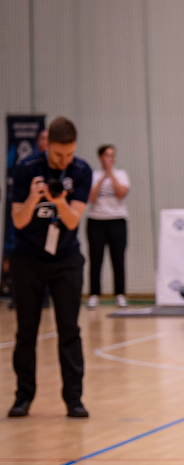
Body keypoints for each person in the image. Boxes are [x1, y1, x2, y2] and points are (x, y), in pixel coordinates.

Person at [7, 117, 91, 418]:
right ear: (46, 145)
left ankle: (74, 399)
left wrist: (59, 200)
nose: (63, 160)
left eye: (69, 154)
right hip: (28, 259)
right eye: (58, 154)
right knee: (26, 331)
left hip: (66, 260)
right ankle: (23, 397)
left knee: (69, 330)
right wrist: (33, 198)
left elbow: (72, 220)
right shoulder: (25, 169)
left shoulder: (81, 171)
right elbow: (18, 221)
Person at [85, 144, 130, 309]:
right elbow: (90, 197)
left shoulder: (121, 174)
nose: (110, 158)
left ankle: (120, 294)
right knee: (95, 259)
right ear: (100, 158)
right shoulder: (93, 175)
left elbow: (121, 193)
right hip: (96, 221)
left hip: (117, 220)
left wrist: (111, 173)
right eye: (106, 155)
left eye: (112, 155)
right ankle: (94, 295)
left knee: (118, 258)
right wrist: (103, 176)